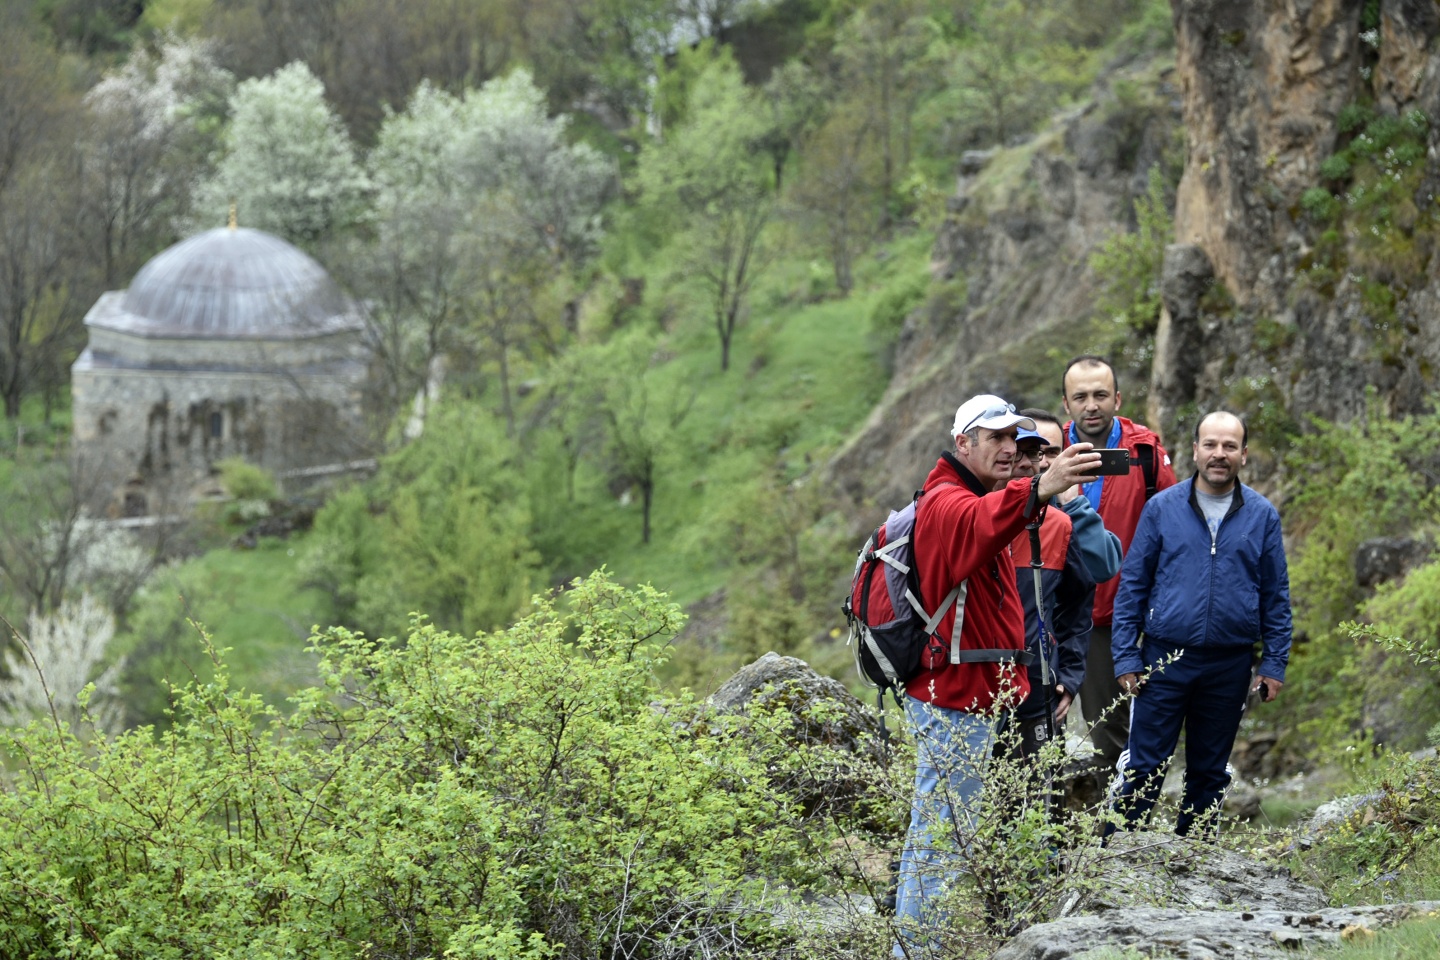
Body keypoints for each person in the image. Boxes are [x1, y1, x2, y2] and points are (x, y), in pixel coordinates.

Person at [893, 394, 1099, 951]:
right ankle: (918, 950)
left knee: (936, 833)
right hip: (953, 699)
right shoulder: (947, 502)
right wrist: (1041, 485)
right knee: (940, 838)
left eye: (1015, 439)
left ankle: (915, 947)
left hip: (973, 695)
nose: (1010, 449)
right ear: (963, 443)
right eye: (995, 439)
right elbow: (982, 521)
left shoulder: (970, 494)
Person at [1107, 411, 1291, 838]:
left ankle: (1195, 862)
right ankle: (1114, 861)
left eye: (1229, 446)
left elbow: (1275, 596)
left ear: (1243, 455)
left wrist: (1274, 663)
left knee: (1209, 771)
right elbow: (1132, 585)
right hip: (1163, 659)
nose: (1219, 454)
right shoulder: (1161, 509)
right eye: (1210, 444)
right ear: (1195, 450)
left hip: (1229, 664)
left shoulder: (1262, 516)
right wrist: (1125, 656)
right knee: (1144, 764)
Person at [1061, 355, 1177, 773]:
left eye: (1100, 395)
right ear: (1066, 404)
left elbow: (1176, 527)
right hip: (1063, 611)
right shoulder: (1047, 452)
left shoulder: (1144, 452)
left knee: (1131, 722)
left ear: (1117, 398)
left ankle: (1131, 819)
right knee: (1072, 725)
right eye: (1081, 397)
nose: (1091, 405)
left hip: (1125, 612)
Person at [1004, 412, 1122, 758]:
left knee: (1041, 792)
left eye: (1052, 452)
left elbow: (1101, 569)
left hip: (1044, 682)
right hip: (989, 682)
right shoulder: (988, 509)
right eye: (1028, 450)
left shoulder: (1066, 513)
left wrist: (1072, 501)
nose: (1041, 463)